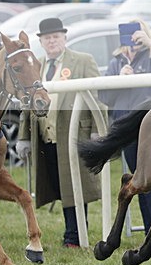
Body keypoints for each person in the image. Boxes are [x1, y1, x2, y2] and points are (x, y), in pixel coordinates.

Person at [16, 18, 107, 248]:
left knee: (75, 186)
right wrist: (24, 137)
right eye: (47, 38)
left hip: (75, 133)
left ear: (64, 38)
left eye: (56, 36)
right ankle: (71, 234)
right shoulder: (37, 65)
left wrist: (98, 128)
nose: (52, 41)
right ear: (41, 42)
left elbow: (97, 97)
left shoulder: (83, 61)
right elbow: (28, 101)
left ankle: (75, 236)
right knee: (59, 186)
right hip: (47, 137)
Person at [100, 19, 151, 247]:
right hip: (127, 128)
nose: (133, 38)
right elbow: (104, 97)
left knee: (145, 178)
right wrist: (118, 81)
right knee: (141, 178)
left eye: (138, 33)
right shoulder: (116, 61)